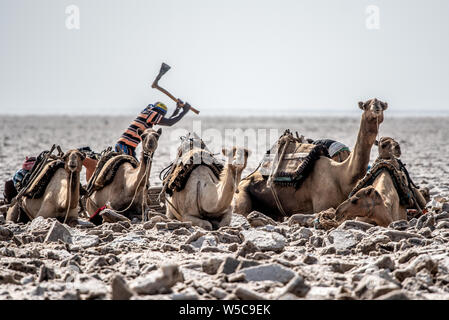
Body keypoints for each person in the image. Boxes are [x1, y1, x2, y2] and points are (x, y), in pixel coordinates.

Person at [115, 100, 190, 158]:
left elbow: (168, 120)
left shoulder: (148, 114)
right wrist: (184, 111)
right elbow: (169, 122)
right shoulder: (151, 114)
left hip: (126, 146)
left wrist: (178, 108)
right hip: (125, 146)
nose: (160, 117)